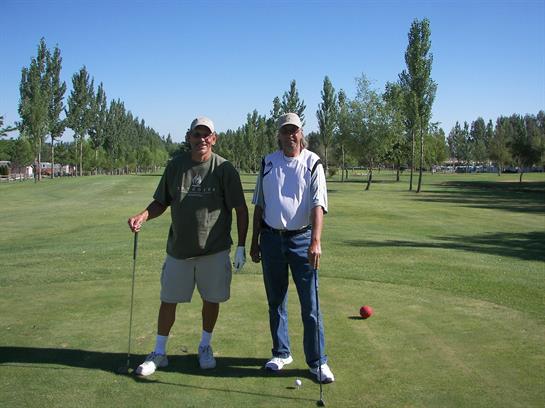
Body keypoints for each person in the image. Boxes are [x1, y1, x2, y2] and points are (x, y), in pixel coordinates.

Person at [128, 116, 248, 376]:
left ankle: (205, 346)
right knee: (168, 300)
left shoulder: (225, 169)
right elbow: (161, 201)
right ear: (189, 137)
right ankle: (159, 352)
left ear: (214, 139)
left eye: (207, 135)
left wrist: (241, 246)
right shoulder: (175, 166)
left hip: (213, 251)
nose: (201, 139)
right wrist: (143, 216)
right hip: (179, 251)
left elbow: (240, 209)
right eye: (197, 134)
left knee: (211, 300)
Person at [250, 112, 335, 383]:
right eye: (285, 131)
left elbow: (317, 205)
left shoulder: (313, 163)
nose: (290, 136)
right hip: (271, 239)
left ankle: (317, 362)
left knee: (310, 305)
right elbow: (259, 205)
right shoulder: (267, 162)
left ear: (301, 133)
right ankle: (281, 353)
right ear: (279, 134)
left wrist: (316, 242)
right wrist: (254, 241)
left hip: (302, 240)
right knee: (276, 302)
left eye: (294, 131)